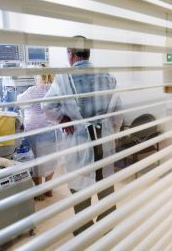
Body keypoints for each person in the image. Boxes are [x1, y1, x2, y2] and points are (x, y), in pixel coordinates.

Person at [42, 36, 123, 235]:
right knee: (105, 189)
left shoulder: (63, 78)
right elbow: (118, 112)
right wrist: (111, 132)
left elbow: (47, 105)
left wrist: (63, 119)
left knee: (80, 193)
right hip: (103, 143)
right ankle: (106, 231)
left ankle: (85, 232)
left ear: (70, 54)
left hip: (80, 143)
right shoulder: (107, 76)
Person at [17, 69, 57, 201]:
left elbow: (19, 102)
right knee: (51, 159)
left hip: (35, 131)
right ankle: (49, 188)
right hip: (51, 130)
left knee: (36, 161)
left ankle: (39, 191)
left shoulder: (33, 90)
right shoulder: (55, 89)